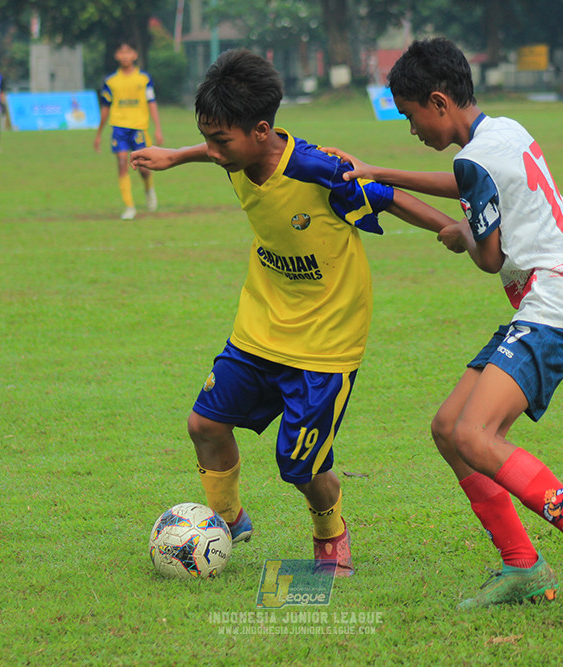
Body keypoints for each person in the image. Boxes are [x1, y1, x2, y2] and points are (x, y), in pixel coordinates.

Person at [324, 38, 563, 620]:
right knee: (450, 427)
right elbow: (467, 181)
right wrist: (377, 171)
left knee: (476, 435)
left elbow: (488, 258)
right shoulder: (504, 130)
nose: (411, 127)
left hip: (560, 301)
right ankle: (523, 566)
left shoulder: (475, 160)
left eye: (411, 114)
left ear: (439, 101)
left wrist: (461, 235)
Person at [130, 49, 455, 576]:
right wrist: (175, 155)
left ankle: (331, 533)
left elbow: (386, 196)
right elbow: (218, 142)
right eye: (206, 139)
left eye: (219, 142)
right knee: (204, 424)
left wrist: (449, 227)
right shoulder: (236, 154)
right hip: (259, 326)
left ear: (261, 131)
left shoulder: (315, 171)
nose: (212, 152)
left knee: (301, 465)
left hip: (325, 343)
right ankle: (227, 519)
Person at [94, 41, 164, 220]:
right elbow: (105, 107)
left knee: (143, 167)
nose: (125, 56)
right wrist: (99, 133)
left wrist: (158, 128)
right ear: (116, 56)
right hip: (118, 127)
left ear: (135, 55)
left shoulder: (144, 79)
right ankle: (129, 206)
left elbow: (152, 102)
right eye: (121, 52)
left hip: (139, 128)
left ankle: (148, 189)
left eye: (128, 52)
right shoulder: (111, 81)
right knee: (121, 163)